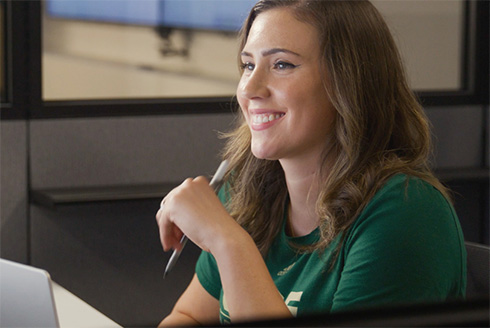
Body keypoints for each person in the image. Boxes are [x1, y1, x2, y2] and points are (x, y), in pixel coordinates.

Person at [155, 0, 466, 326]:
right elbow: (190, 315)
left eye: (282, 65)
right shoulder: (245, 194)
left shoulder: (405, 211)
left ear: (349, 81)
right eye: (248, 65)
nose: (248, 88)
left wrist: (227, 242)